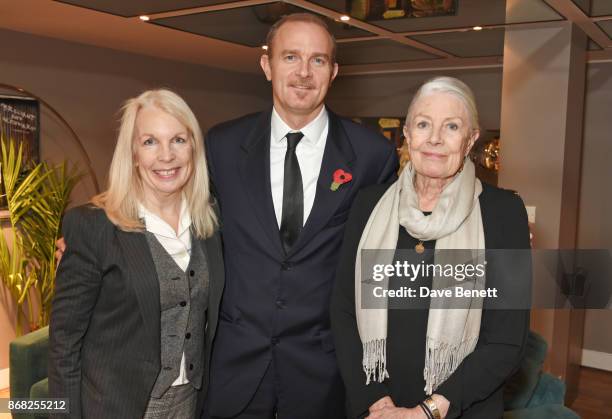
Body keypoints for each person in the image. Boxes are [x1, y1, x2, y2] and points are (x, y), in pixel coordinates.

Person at [203, 13, 398, 419]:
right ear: (266, 65)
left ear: (334, 70)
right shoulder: (222, 145)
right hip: (235, 369)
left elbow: (391, 253)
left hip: (322, 372)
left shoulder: (371, 155)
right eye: (290, 57)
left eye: (318, 60)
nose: (304, 73)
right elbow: (184, 218)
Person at [331, 76, 530, 419]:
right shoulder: (368, 204)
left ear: (470, 140)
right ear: (407, 133)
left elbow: (506, 341)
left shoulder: (503, 213)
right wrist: (377, 403)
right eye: (424, 124)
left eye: (451, 126)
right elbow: (343, 309)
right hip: (374, 406)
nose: (435, 139)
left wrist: (426, 412)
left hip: (462, 408)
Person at [49, 89, 224, 419]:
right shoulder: (94, 226)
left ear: (194, 148)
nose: (166, 156)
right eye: (150, 142)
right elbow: (64, 345)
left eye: (178, 140)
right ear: (132, 154)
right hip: (114, 407)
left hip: (190, 404)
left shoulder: (210, 223)